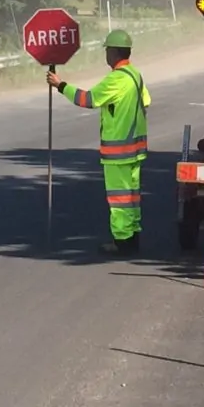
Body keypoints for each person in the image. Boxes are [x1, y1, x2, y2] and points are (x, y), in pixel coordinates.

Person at [46, 29, 150, 256]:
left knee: (119, 198)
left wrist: (60, 85)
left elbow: (89, 99)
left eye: (107, 50)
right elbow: (146, 101)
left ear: (112, 52)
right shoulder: (135, 75)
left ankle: (121, 241)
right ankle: (132, 237)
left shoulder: (117, 79)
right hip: (135, 150)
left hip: (119, 152)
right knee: (132, 196)